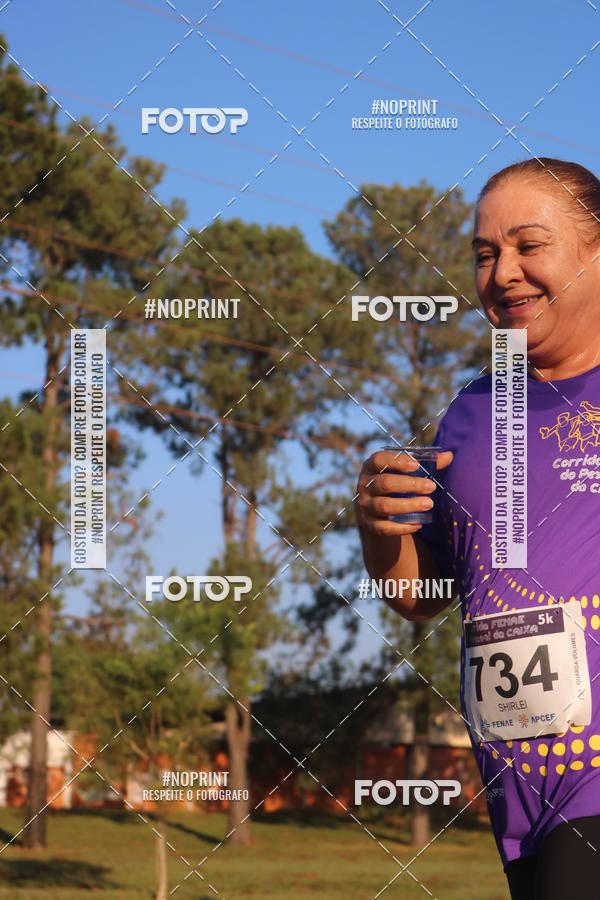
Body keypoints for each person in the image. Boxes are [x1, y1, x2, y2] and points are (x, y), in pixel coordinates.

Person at [355, 158, 600, 899]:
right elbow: (424, 596)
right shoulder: (471, 412)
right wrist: (378, 529)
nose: (504, 273)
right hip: (517, 793)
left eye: (530, 245)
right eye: (485, 254)